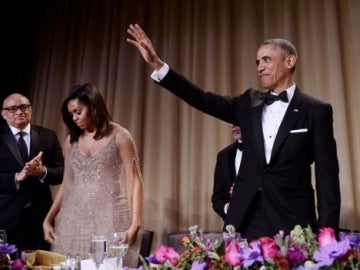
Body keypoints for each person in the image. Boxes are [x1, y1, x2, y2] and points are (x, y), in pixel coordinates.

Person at [127, 24, 341, 240]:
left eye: (266, 59)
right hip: (245, 221)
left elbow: (327, 179)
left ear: (290, 61)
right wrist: (158, 64)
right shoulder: (249, 103)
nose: (259, 67)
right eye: (257, 62)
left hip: (292, 221)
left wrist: (327, 236)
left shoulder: (316, 110)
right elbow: (201, 98)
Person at [43, 84, 143, 267]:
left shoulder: (120, 136)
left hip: (110, 218)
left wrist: (135, 224)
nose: (74, 118)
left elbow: (134, 180)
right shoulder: (71, 141)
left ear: (94, 106)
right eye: (71, 114)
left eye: (78, 112)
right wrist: (48, 219)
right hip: (73, 221)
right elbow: (67, 183)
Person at [0, 93, 64, 252]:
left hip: (40, 216)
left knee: (39, 264)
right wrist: (16, 177)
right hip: (5, 216)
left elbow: (62, 173)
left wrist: (42, 171)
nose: (20, 112)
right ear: (4, 114)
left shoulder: (48, 135)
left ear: (31, 110)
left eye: (24, 107)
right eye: (13, 109)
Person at [212, 124, 242, 223]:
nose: (233, 125)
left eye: (236, 120)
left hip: (263, 229)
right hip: (233, 227)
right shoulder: (223, 155)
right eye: (229, 121)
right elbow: (218, 197)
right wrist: (227, 208)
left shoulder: (266, 153)